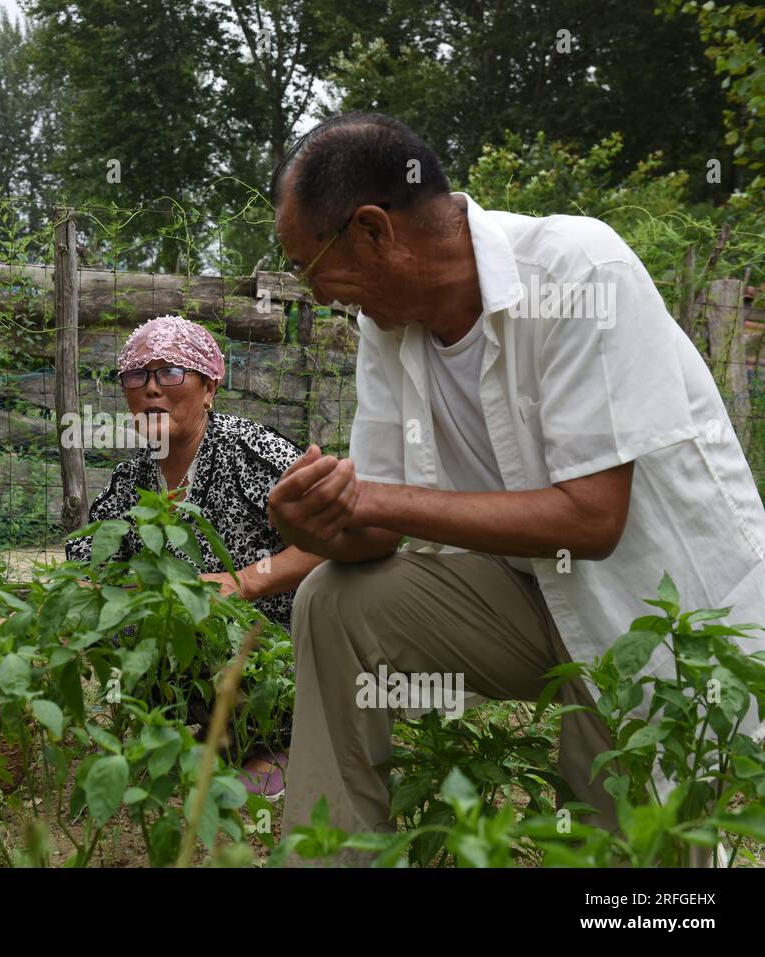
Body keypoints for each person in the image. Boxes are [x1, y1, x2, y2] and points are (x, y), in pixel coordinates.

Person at [266, 111, 765, 863]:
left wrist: (369, 498)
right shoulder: (389, 326)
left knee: (633, 866)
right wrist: (320, 521)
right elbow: (379, 529)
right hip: (531, 597)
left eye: (312, 268)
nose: (321, 296)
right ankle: (332, 858)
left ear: (374, 230)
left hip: (655, 618)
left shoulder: (577, 270)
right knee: (335, 603)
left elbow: (594, 519)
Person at [66, 315, 325, 794]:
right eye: (136, 375)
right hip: (190, 661)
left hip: (274, 648)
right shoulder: (132, 481)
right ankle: (188, 738)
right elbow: (87, 569)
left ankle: (273, 744)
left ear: (208, 387)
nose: (150, 389)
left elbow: (331, 541)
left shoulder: (251, 452)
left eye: (169, 372)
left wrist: (241, 581)